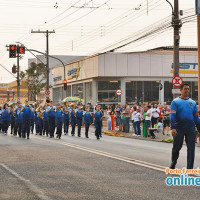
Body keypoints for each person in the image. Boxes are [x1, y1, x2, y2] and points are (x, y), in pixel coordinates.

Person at [170, 83, 200, 169]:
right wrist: (173, 128)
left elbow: (196, 118)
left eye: (188, 89)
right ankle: (173, 162)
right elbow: (172, 116)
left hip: (190, 128)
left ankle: (189, 168)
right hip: (179, 128)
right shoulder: (175, 102)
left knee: (191, 149)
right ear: (181, 90)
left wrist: (199, 130)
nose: (187, 90)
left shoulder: (193, 103)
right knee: (176, 148)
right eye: (185, 89)